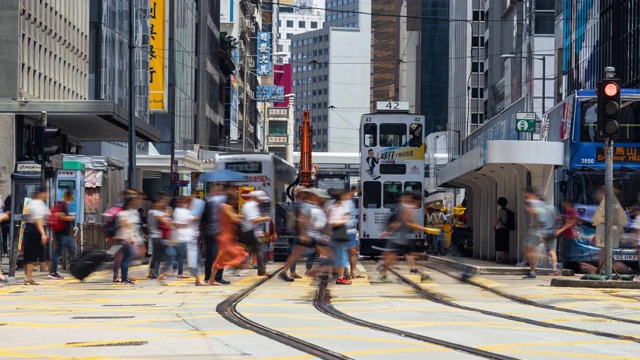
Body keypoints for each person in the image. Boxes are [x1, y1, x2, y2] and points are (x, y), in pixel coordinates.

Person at [280, 188, 335, 282]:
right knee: (331, 255)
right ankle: (314, 271)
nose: (325, 200)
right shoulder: (308, 206)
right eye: (323, 198)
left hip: (311, 235)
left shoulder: (316, 206)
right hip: (311, 236)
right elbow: (303, 219)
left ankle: (284, 271)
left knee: (295, 254)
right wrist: (303, 234)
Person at [378, 191, 433, 282]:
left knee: (405, 255)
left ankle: (418, 272)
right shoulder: (404, 208)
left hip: (402, 237)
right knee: (394, 256)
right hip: (400, 238)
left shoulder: (408, 207)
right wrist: (424, 229)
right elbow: (408, 223)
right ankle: (419, 272)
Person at [210, 192, 248, 285]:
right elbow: (233, 218)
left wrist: (241, 217)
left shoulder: (223, 206)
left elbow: (233, 217)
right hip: (225, 236)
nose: (236, 201)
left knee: (222, 257)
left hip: (227, 235)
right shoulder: (225, 207)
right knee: (238, 253)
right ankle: (212, 279)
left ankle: (212, 279)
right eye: (235, 199)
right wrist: (245, 218)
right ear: (231, 199)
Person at [523, 189, 559, 279]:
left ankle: (532, 271)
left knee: (529, 251)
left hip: (538, 231)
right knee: (551, 251)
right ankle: (554, 268)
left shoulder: (531, 203)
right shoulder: (547, 206)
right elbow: (557, 218)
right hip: (550, 231)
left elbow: (537, 216)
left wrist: (539, 231)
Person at [201, 183, 230, 285]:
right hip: (216, 232)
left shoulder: (208, 201)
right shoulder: (218, 200)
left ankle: (209, 277)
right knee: (218, 255)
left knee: (211, 256)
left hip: (211, 232)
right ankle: (216, 277)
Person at [240, 190, 272, 277]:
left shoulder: (250, 205)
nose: (262, 201)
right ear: (256, 198)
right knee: (260, 251)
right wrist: (266, 218)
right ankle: (261, 270)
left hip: (254, 231)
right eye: (261, 199)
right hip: (252, 232)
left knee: (257, 251)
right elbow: (253, 220)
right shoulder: (251, 206)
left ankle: (261, 269)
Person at [113, 190, 143, 285]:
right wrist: (131, 238)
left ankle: (124, 277)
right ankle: (124, 278)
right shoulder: (124, 214)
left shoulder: (123, 214)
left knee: (125, 258)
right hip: (125, 239)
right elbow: (125, 227)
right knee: (126, 259)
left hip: (124, 238)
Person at [23, 189, 50, 285]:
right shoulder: (38, 204)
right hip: (35, 229)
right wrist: (43, 234)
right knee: (35, 254)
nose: (47, 195)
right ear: (40, 194)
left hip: (31, 229)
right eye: (45, 193)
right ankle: (28, 277)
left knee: (33, 254)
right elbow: (38, 220)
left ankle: (28, 277)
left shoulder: (35, 203)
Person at [328, 190, 352, 285]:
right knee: (342, 256)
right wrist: (344, 220)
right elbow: (333, 223)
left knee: (339, 255)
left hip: (339, 234)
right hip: (338, 234)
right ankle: (340, 278)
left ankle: (340, 275)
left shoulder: (338, 207)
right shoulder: (335, 208)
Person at [48, 198, 76, 280]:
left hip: (62, 234)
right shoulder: (61, 207)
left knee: (72, 249)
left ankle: (73, 267)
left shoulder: (61, 206)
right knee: (59, 253)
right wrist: (71, 218)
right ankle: (53, 272)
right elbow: (59, 216)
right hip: (62, 234)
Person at [147, 193, 171, 279]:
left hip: (160, 236)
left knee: (159, 255)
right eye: (161, 202)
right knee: (157, 255)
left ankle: (154, 272)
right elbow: (163, 221)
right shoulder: (153, 212)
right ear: (155, 203)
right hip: (155, 236)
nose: (162, 204)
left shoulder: (159, 212)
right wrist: (167, 212)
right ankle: (153, 272)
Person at [343, 186, 363, 279]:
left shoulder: (352, 201)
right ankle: (342, 272)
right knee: (343, 252)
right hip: (343, 230)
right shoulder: (344, 202)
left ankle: (353, 272)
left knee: (353, 251)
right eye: (357, 192)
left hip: (351, 230)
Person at [494, 197, 510, 263]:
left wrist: (494, 225)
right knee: (506, 243)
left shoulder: (501, 211)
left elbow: (497, 220)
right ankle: (506, 258)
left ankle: (502, 258)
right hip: (506, 229)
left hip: (500, 228)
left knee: (500, 244)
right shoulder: (507, 210)